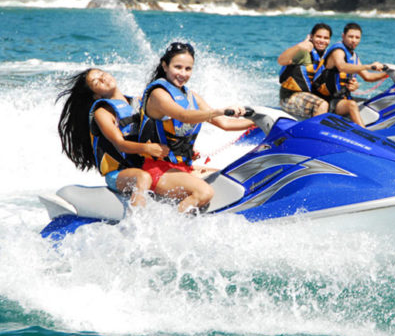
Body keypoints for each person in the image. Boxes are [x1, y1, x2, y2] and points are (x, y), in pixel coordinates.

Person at [138, 42, 254, 213]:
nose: (183, 74)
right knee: (205, 192)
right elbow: (183, 115)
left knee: (230, 179)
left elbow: (226, 124)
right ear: (165, 65)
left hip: (183, 168)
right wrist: (218, 111)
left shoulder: (192, 96)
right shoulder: (158, 94)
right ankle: (172, 226)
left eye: (188, 69)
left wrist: (258, 120)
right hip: (157, 169)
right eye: (178, 67)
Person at [57, 68, 168, 207]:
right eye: (96, 81)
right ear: (96, 96)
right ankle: (137, 222)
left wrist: (183, 153)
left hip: (145, 165)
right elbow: (120, 144)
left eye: (102, 74)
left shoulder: (139, 103)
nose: (102, 78)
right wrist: (147, 148)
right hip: (118, 174)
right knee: (142, 177)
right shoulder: (102, 112)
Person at [312, 22, 388, 127]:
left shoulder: (354, 56)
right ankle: (365, 134)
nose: (354, 40)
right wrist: (368, 66)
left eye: (357, 37)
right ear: (343, 36)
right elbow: (341, 66)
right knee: (352, 105)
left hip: (340, 99)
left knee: (370, 104)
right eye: (350, 36)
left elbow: (368, 77)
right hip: (325, 100)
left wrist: (387, 73)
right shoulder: (338, 51)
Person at [277, 23, 333, 119]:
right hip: (290, 97)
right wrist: (299, 46)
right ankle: (314, 133)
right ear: (311, 37)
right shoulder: (303, 52)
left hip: (310, 97)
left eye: (325, 38)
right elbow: (281, 60)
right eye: (318, 37)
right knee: (321, 105)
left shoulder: (326, 56)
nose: (322, 41)